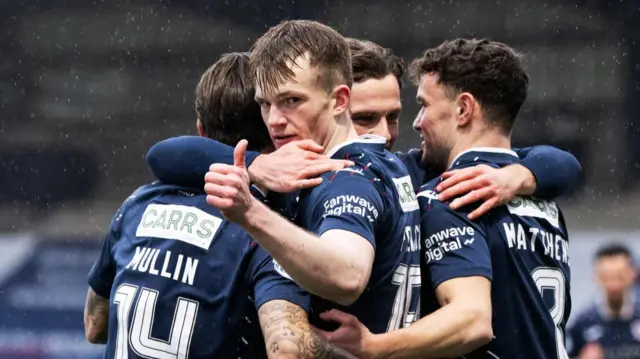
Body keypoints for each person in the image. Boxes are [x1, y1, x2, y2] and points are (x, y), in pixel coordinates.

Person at [83, 52, 353, 359]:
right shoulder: (264, 230)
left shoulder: (137, 205)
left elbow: (94, 325)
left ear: (200, 129)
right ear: (273, 129)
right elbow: (289, 350)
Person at [318, 38, 572, 359]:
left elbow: (472, 320)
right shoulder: (545, 203)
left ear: (464, 109)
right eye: (366, 118)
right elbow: (564, 163)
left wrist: (372, 347)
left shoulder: (448, 191)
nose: (409, 124)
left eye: (420, 106)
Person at [144, 38, 582, 216]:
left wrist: (517, 176)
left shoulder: (406, 173)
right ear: (336, 106)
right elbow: (165, 154)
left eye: (392, 116)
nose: (385, 133)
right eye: (366, 119)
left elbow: (562, 164)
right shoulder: (282, 166)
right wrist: (257, 167)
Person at [202, 19, 422, 333]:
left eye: (293, 101)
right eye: (265, 104)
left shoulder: (346, 178)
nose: (275, 121)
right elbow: (168, 155)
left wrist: (249, 212)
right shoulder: (386, 161)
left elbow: (348, 276)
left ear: (339, 100)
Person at [566, 243, 640, 359]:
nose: (614, 285)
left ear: (633, 274)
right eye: (606, 277)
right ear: (595, 276)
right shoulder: (582, 324)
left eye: (620, 276)